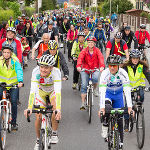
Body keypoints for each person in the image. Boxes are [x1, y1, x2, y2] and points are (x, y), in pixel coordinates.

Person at [24, 54, 61, 149]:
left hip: (52, 91)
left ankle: (54, 133)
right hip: (41, 91)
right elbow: (32, 91)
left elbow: (58, 92)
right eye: (41, 67)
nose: (43, 70)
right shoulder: (36, 72)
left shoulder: (56, 72)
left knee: (54, 110)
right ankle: (38, 139)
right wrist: (29, 107)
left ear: (51, 67)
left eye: (46, 67)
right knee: (38, 116)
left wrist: (58, 109)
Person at [99, 54, 132, 150]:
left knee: (120, 119)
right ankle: (105, 126)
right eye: (110, 65)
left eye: (114, 65)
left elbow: (127, 90)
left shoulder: (123, 74)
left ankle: (121, 142)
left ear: (118, 66)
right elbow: (102, 91)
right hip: (108, 95)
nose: (112, 68)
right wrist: (101, 108)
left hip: (118, 96)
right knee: (107, 109)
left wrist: (129, 107)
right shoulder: (105, 74)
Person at [122, 49, 150, 131]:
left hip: (139, 86)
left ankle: (139, 108)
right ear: (130, 58)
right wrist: (123, 88)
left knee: (141, 96)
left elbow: (148, 76)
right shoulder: (126, 67)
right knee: (127, 104)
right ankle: (126, 122)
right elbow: (122, 78)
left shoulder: (143, 66)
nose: (135, 60)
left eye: (137, 58)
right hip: (129, 87)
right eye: (134, 58)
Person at [77, 36, 105, 109]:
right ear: (87, 43)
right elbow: (80, 58)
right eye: (89, 42)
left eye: (92, 42)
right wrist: (79, 66)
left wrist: (102, 66)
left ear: (94, 43)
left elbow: (101, 58)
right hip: (85, 69)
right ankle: (83, 103)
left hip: (94, 69)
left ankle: (95, 89)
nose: (90, 43)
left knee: (95, 78)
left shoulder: (97, 50)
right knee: (83, 85)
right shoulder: (84, 50)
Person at [0, 44, 23, 130]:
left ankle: (13, 122)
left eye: (8, 52)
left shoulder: (15, 60)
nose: (6, 54)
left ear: (11, 53)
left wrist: (20, 81)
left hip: (13, 84)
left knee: (13, 102)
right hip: (2, 84)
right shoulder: (0, 61)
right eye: (4, 52)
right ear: (2, 52)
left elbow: (19, 70)